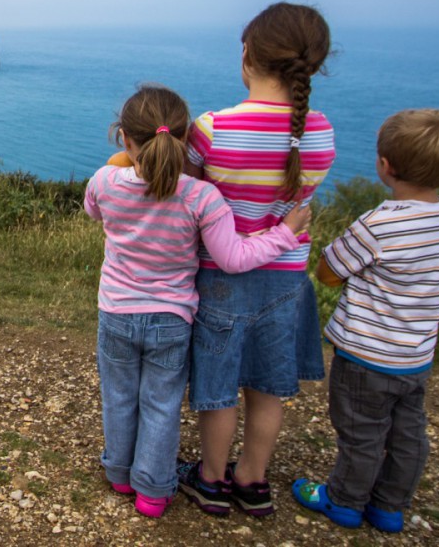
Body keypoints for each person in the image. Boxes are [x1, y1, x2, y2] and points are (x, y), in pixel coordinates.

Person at [85, 84, 311, 519]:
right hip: (171, 319)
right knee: (161, 403)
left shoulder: (105, 182)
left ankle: (118, 472)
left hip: (116, 313)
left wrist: (120, 163)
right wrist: (286, 233)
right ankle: (152, 490)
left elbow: (93, 209)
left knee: (118, 396)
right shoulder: (202, 197)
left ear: (124, 138)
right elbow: (232, 258)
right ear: (186, 141)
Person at [177, 2, 336, 518]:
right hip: (287, 277)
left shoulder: (213, 128)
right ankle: (253, 479)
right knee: (267, 387)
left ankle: (210, 478)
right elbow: (300, 196)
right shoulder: (322, 132)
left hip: (221, 275)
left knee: (218, 385)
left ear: (247, 54)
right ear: (311, 65)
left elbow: (192, 195)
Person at [293, 109, 439, 533]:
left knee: (361, 433)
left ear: (385, 165)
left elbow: (328, 271)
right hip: (415, 355)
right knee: (409, 434)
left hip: (365, 353)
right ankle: (390, 506)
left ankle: (344, 500)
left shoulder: (380, 224)